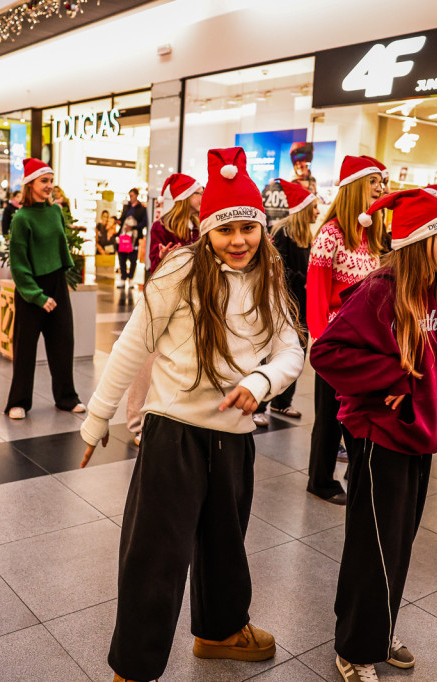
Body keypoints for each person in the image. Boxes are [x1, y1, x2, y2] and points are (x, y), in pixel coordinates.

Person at [79, 147, 304, 682]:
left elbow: (292, 349)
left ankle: (220, 631)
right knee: (154, 559)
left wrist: (261, 381)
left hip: (234, 438)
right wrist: (97, 419)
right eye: (226, 230)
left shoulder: (270, 274)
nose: (239, 241)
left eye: (248, 227)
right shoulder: (179, 270)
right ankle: (134, 668)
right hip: (173, 437)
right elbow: (133, 345)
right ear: (207, 231)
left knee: (227, 545)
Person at [311, 189, 437, 682]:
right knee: (374, 544)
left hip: (418, 436)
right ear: (418, 240)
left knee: (397, 543)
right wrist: (394, 377)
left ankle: (375, 630)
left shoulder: (434, 290)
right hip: (379, 436)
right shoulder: (380, 288)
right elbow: (327, 353)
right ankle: (356, 648)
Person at [305, 155, 386, 504]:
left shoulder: (372, 234)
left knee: (360, 409)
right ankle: (320, 479)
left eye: (382, 184)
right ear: (355, 187)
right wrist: (322, 340)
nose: (381, 190)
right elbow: (317, 291)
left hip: (365, 341)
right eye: (374, 183)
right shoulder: (330, 234)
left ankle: (357, 469)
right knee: (328, 415)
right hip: (337, 341)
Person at [125, 172, 203, 446]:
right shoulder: (161, 226)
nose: (202, 196)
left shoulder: (202, 226)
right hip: (162, 300)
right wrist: (166, 258)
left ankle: (172, 417)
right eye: (197, 192)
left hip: (192, 303)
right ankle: (137, 423)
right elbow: (156, 266)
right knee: (148, 359)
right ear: (184, 198)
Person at [4, 158, 85, 420]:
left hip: (57, 283)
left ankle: (66, 398)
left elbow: (59, 248)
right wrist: (37, 296)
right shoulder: (21, 219)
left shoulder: (55, 212)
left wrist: (61, 281)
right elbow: (18, 264)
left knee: (63, 342)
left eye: (51, 180)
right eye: (44, 181)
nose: (50, 185)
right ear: (30, 184)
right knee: (25, 349)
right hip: (31, 289)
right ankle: (18, 401)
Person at [253, 178, 317, 426]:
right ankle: (258, 405)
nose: (318, 210)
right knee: (272, 354)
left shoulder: (306, 234)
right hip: (283, 304)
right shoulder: (282, 231)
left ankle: (282, 402)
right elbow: (279, 269)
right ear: (303, 209)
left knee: (298, 353)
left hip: (302, 304)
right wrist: (306, 279)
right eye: (314, 207)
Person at [118, 187, 148, 279]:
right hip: (124, 235)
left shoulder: (142, 209)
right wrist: (118, 221)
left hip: (134, 237)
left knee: (133, 258)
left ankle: (131, 277)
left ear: (136, 195)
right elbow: (122, 218)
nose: (130, 197)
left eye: (132, 195)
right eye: (129, 195)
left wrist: (133, 227)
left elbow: (144, 223)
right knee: (122, 257)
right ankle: (123, 277)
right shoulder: (127, 207)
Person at [117, 217, 138, 284]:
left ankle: (130, 278)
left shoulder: (134, 232)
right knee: (122, 263)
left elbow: (135, 241)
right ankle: (123, 277)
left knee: (133, 263)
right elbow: (118, 237)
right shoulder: (122, 230)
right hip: (122, 249)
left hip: (132, 249)